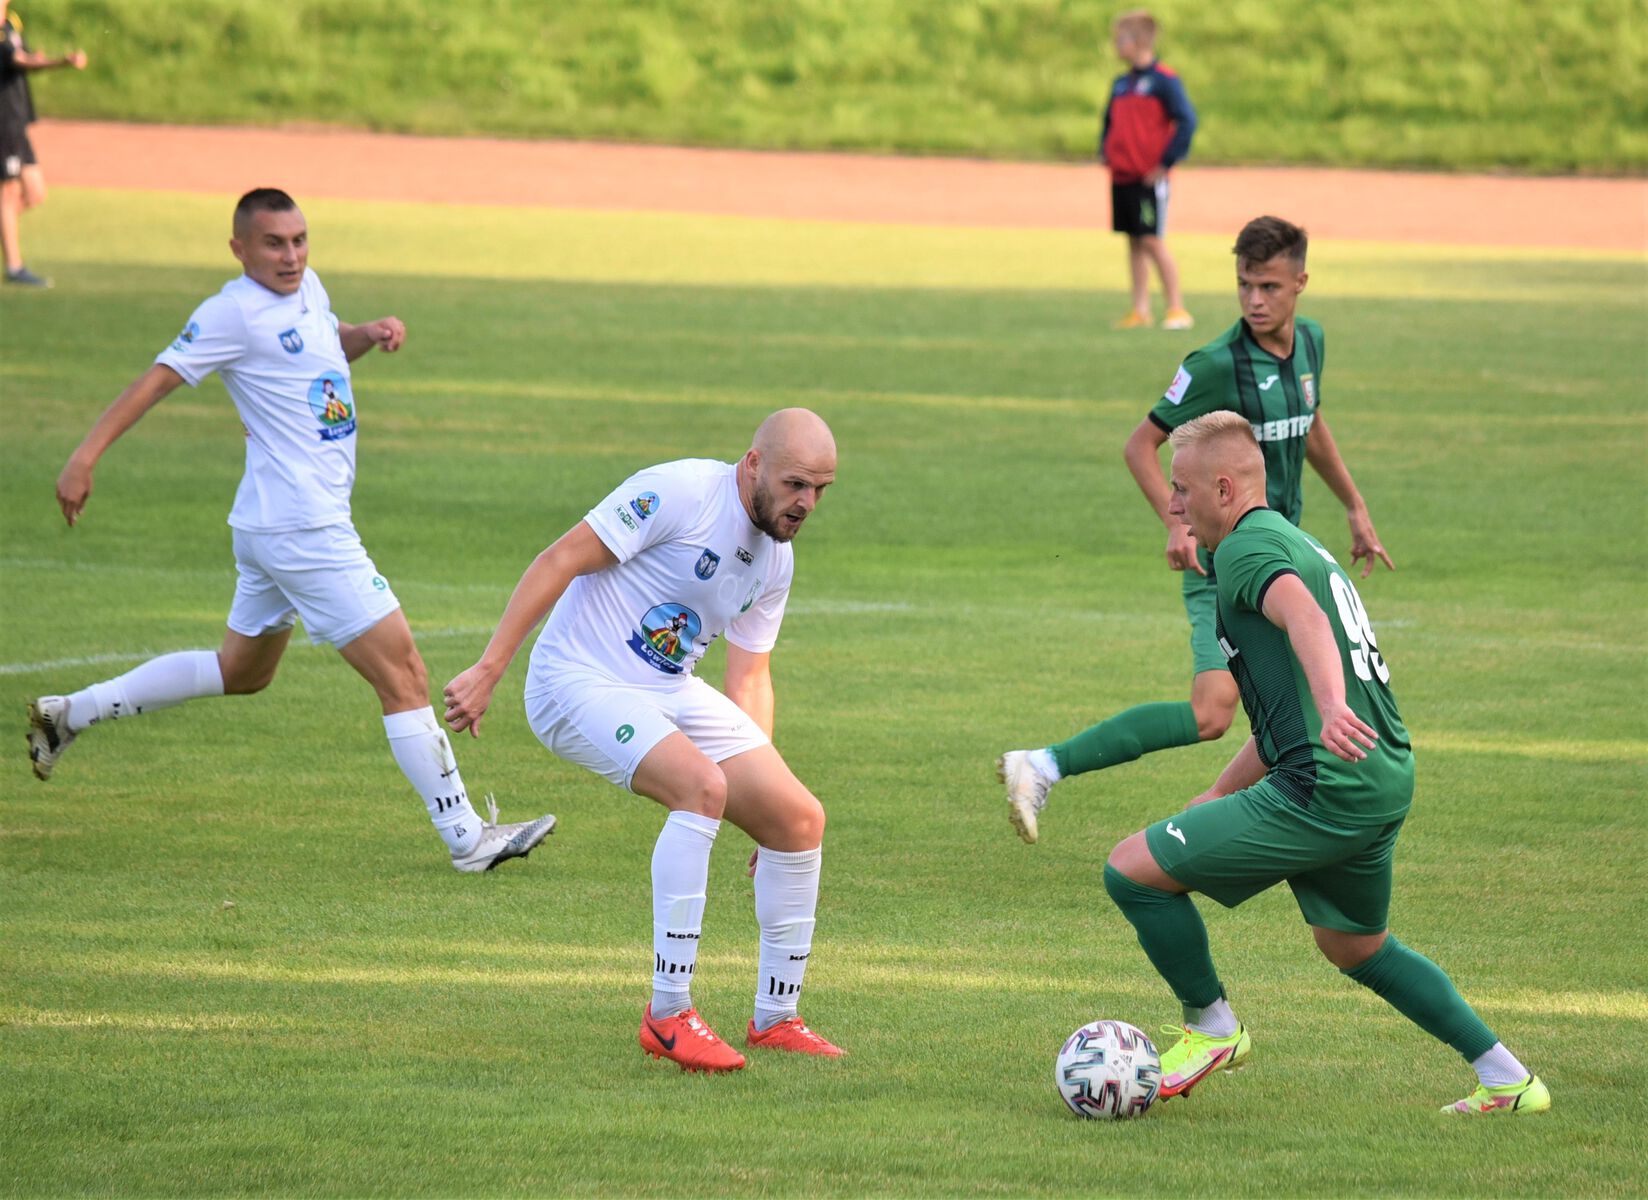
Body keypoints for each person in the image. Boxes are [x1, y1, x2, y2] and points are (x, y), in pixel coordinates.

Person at [25, 187, 555, 874]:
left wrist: (365, 335)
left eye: (300, 240)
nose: (291, 254)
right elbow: (156, 382)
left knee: (240, 671)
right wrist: (83, 457)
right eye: (274, 243)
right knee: (405, 672)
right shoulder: (230, 313)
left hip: (274, 523)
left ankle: (69, 715)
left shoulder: (308, 290)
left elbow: (318, 354)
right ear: (239, 248)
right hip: (303, 526)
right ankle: (467, 841)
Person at [1095, 411, 1547, 1115]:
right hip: (1379, 774)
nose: (1173, 504)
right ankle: (1507, 1078)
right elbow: (1282, 716)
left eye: (1181, 490)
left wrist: (1334, 705)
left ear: (1222, 488)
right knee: (1356, 946)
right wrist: (1219, 789)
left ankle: (1211, 1027)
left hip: (1326, 784)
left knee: (1132, 872)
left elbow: (1303, 615)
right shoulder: (1288, 538)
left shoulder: (1247, 548)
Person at [443, 409, 844, 1073]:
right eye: (796, 483)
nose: (806, 503)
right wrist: (490, 667)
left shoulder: (776, 560)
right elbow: (562, 557)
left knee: (798, 820)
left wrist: (760, 814)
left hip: (666, 688)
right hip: (576, 678)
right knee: (700, 787)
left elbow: (750, 677)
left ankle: (777, 1017)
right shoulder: (680, 493)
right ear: (753, 465)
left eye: (820, 490)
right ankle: (667, 1015)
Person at [998, 215, 1392, 843]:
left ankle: (1249, 823)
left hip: (1278, 559)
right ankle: (1048, 768)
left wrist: (1353, 504)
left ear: (1300, 283)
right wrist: (1178, 523)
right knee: (1215, 713)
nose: (1255, 301)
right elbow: (1140, 445)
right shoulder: (1214, 364)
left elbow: (1310, 423)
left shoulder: (1311, 343)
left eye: (1268, 286)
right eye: (1244, 286)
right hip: (1228, 563)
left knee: (1279, 709)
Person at [1100, 9, 1196, 331]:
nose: (1116, 45)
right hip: (1123, 175)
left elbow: (1187, 122)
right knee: (1133, 240)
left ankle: (1176, 307)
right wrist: (1107, 152)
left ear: (1139, 40)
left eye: (1121, 39)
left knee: (1153, 239)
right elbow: (1110, 123)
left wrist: (1165, 163)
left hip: (1148, 178)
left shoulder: (1163, 81)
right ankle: (1140, 309)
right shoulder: (1121, 84)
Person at [0, 0, 85, 287]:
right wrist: (62, 61)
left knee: (35, 193)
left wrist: (33, 56)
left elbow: (22, 57)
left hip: (17, 121)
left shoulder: (12, 22)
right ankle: (14, 267)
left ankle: (7, 236)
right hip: (2, 124)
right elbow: (19, 60)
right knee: (8, 194)